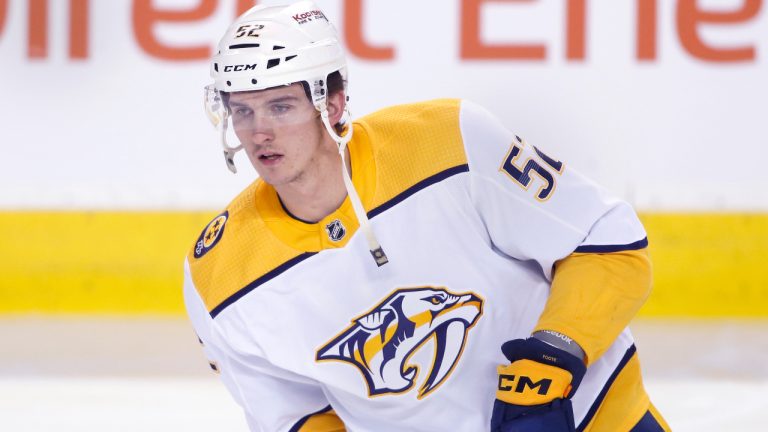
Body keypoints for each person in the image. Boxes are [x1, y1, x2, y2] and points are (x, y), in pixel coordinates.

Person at [183, 1, 670, 431]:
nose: (259, 132)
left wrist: (555, 352)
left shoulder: (448, 142)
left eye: (280, 106)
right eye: (242, 111)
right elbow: (292, 416)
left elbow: (606, 242)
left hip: (595, 419)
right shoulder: (217, 278)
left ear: (331, 103)